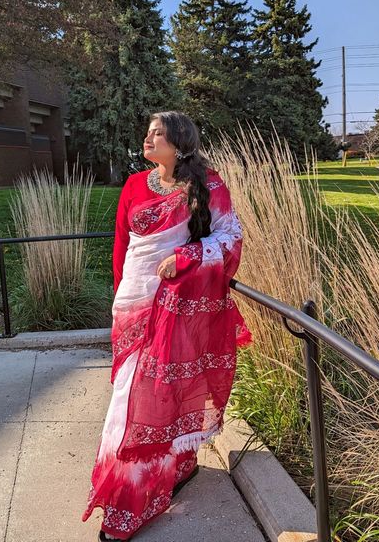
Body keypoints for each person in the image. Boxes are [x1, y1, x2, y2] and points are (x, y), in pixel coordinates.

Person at [81, 111, 253, 541]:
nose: (148, 138)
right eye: (148, 132)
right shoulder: (135, 184)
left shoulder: (208, 185)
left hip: (180, 305)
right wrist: (120, 300)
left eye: (158, 133)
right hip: (132, 306)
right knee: (134, 394)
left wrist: (187, 258)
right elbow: (122, 244)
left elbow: (230, 238)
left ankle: (130, 499)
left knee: (148, 402)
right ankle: (179, 466)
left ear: (180, 142)